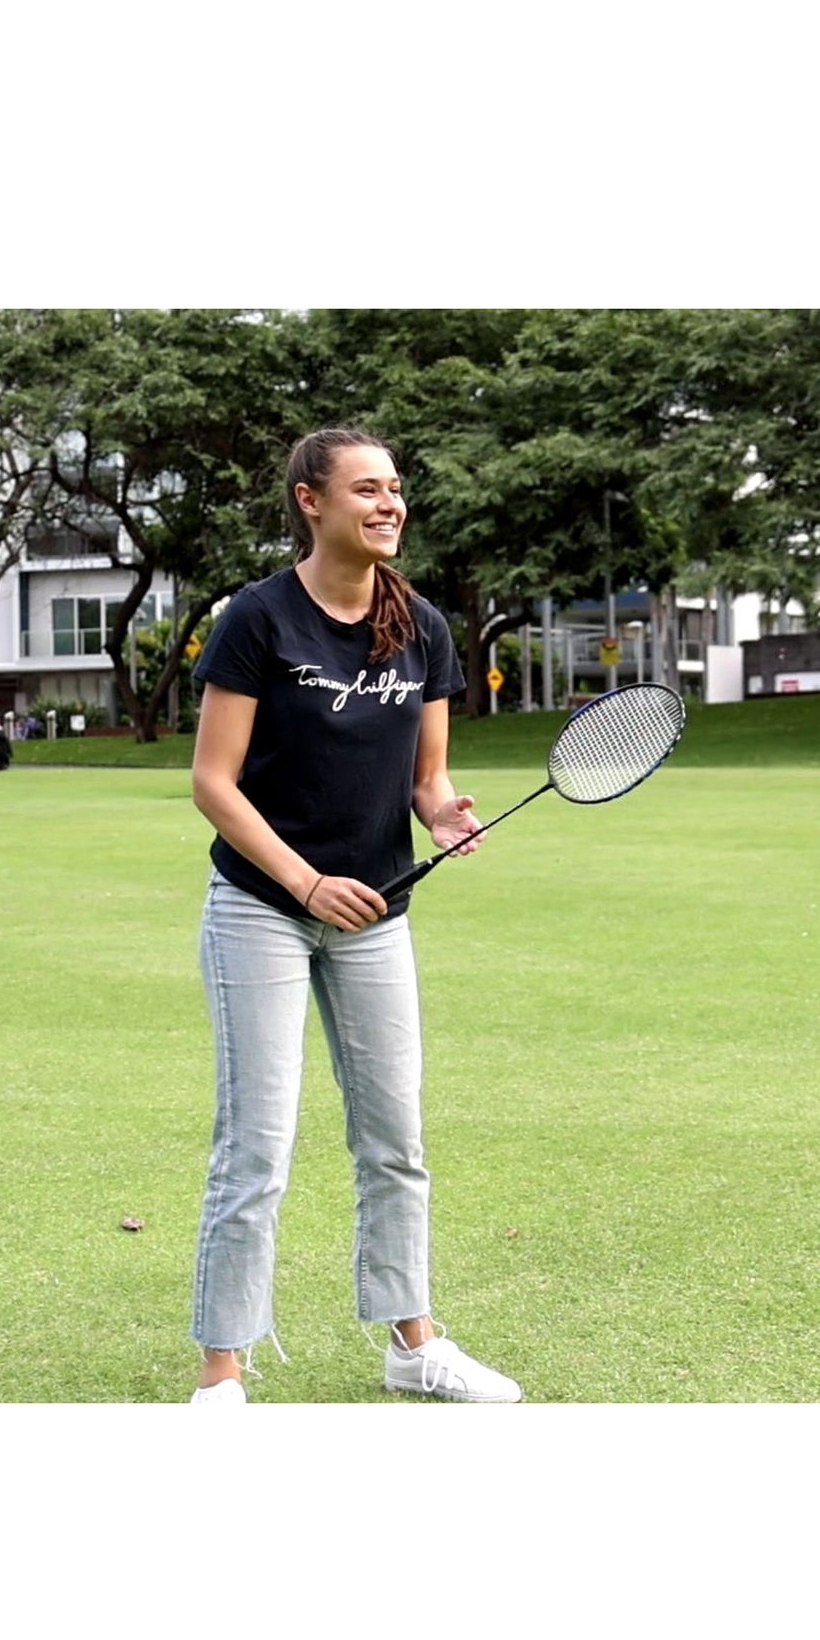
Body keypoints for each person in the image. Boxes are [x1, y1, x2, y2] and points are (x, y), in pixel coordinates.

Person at [184, 426, 520, 1405]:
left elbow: (427, 776)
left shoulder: (423, 626)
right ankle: (221, 1372)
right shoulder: (257, 618)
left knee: (393, 1138)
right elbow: (212, 782)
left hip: (376, 909)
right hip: (262, 906)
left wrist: (443, 812)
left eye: (395, 488)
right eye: (366, 488)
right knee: (256, 1145)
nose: (388, 504)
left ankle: (412, 1343)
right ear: (311, 500)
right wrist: (305, 883)